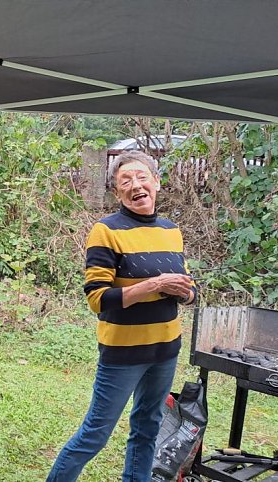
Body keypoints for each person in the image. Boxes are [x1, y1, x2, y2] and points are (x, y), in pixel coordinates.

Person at [47, 150, 197, 482]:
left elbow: (190, 291)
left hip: (165, 351)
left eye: (142, 177)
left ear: (157, 182)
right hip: (123, 355)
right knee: (94, 435)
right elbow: (98, 299)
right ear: (117, 193)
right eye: (125, 181)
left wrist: (182, 291)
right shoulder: (106, 230)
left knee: (148, 429)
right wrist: (154, 284)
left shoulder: (171, 231)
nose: (135, 185)